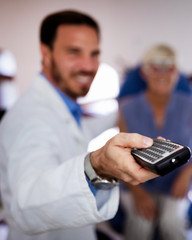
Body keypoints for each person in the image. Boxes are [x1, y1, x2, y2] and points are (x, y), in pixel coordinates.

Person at [0, 10, 158, 240]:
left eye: (94, 54)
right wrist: (98, 166)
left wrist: (125, 107)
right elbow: (26, 204)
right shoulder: (29, 119)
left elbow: (82, 131)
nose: (88, 66)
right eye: (74, 52)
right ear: (46, 53)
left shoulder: (64, 108)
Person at [118, 44, 192, 240]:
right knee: (140, 226)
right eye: (155, 68)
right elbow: (121, 155)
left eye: (168, 68)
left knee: (171, 224)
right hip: (137, 183)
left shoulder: (188, 106)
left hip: (174, 183)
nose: (162, 75)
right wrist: (138, 194)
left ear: (177, 74)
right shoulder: (127, 108)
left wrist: (187, 173)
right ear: (144, 74)